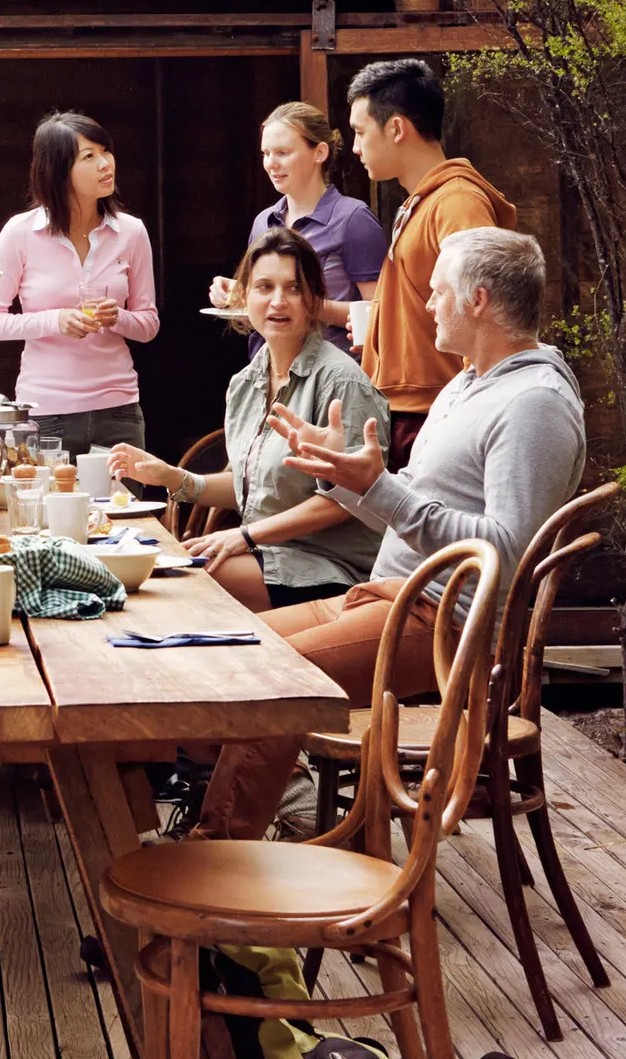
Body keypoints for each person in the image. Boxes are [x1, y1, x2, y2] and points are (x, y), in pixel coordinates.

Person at [196, 227, 587, 839]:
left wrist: (377, 487)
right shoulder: (467, 383)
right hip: (385, 597)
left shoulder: (533, 403)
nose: (426, 305)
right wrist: (346, 474)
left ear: (477, 300)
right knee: (229, 655)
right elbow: (403, 504)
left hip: (444, 626)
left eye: (436, 293)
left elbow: (504, 552)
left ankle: (216, 859)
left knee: (278, 679)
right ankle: (275, 825)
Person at [109, 228, 382, 609]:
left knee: (182, 586)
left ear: (315, 299)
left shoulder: (341, 381)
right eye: (264, 287)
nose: (278, 301)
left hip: (333, 567)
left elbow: (350, 499)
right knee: (151, 568)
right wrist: (174, 478)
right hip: (268, 552)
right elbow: (251, 485)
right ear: (243, 298)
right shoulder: (246, 382)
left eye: (293, 288)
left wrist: (246, 536)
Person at [345, 57, 515, 466]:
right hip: (412, 408)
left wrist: (471, 413)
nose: (355, 148)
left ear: (396, 128)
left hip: (438, 412)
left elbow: (486, 310)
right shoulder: (423, 202)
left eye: (360, 132)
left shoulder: (456, 202)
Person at [0, 112, 162, 455]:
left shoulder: (131, 232)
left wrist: (116, 317)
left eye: (106, 151)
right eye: (89, 157)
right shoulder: (20, 232)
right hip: (46, 411)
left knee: (123, 509)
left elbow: (148, 324)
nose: (106, 164)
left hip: (117, 409)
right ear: (58, 171)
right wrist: (55, 320)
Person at [211, 101, 388, 352]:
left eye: (283, 152)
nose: (271, 163)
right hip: (268, 371)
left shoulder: (353, 219)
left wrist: (304, 304)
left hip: (329, 374)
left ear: (320, 153)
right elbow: (260, 312)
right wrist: (236, 294)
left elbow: (378, 312)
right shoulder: (264, 221)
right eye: (266, 153)